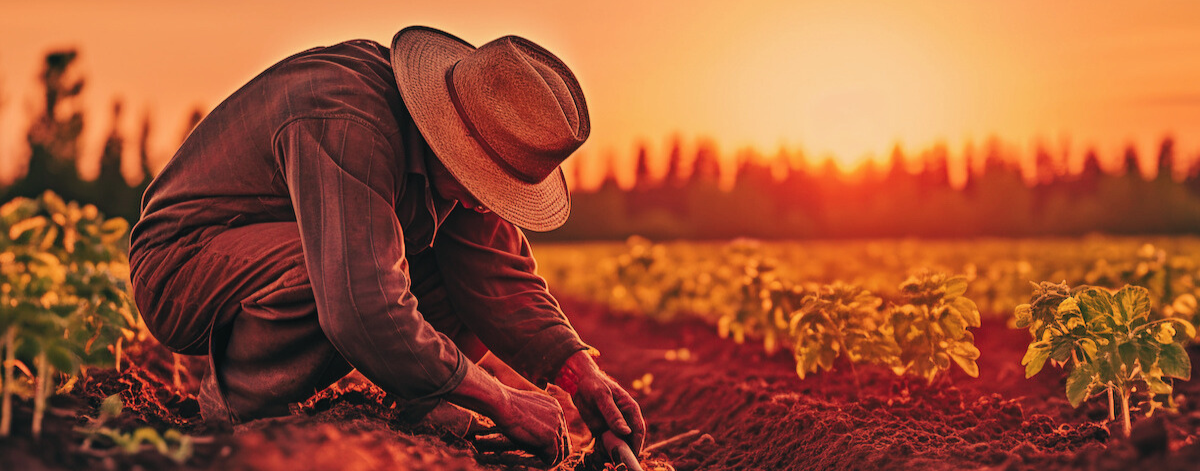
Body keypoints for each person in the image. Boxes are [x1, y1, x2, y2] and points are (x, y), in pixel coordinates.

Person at [128, 26, 645, 466]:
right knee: (336, 264)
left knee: (447, 266)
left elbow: (498, 277)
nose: (488, 205)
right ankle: (242, 418)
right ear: (452, 139)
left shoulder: (459, 153)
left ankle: (428, 408)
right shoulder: (351, 123)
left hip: (278, 252)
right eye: (487, 186)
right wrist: (501, 399)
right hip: (182, 263)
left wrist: (581, 374)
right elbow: (361, 304)